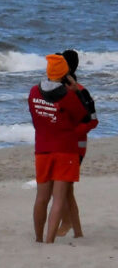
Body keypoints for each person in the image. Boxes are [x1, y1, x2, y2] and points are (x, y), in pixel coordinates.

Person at [28, 54, 96, 243]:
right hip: (65, 149)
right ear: (66, 73)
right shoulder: (69, 96)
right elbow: (85, 116)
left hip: (42, 149)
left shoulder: (33, 92)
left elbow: (36, 120)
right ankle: (49, 240)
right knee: (59, 198)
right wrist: (76, 92)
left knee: (41, 197)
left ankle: (39, 239)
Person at [56, 49, 99, 238]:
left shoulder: (81, 91)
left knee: (65, 187)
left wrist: (71, 133)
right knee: (64, 188)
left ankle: (69, 224)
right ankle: (73, 227)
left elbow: (92, 120)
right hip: (60, 144)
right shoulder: (56, 90)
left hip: (76, 146)